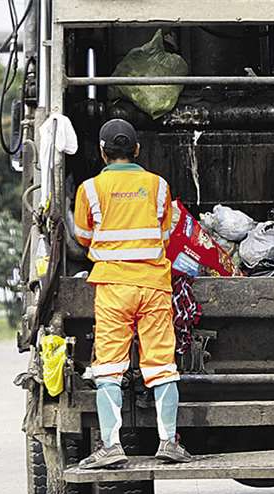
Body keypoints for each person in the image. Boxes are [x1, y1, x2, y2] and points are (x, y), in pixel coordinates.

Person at [75, 118, 191, 469]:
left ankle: (111, 446)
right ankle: (168, 442)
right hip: (153, 285)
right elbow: (167, 230)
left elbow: (82, 235)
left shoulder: (90, 189)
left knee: (109, 367)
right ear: (137, 150)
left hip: (112, 288)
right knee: (161, 365)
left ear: (101, 151)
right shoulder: (158, 185)